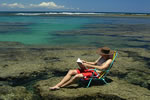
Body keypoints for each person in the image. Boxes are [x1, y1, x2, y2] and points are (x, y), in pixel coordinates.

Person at [49, 46, 113, 90]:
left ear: (105, 54)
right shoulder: (102, 57)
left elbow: (102, 68)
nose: (100, 54)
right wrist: (86, 62)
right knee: (71, 71)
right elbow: (94, 63)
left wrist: (88, 65)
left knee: (76, 76)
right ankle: (58, 85)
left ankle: (61, 86)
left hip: (97, 73)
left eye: (101, 53)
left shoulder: (109, 60)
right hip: (92, 70)